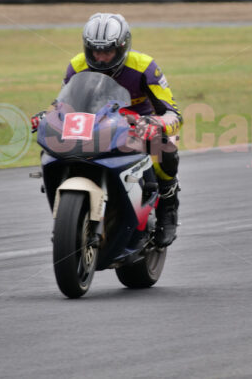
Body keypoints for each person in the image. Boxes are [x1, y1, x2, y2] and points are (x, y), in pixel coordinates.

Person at [34, 13, 182, 247]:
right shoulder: (77, 65)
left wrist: (156, 123)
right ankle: (68, 211)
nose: (100, 58)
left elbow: (173, 113)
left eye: (107, 52)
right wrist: (49, 116)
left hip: (139, 126)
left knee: (163, 146)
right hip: (97, 123)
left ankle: (168, 203)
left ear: (123, 47)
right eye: (95, 51)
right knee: (55, 145)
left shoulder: (145, 67)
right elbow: (65, 103)